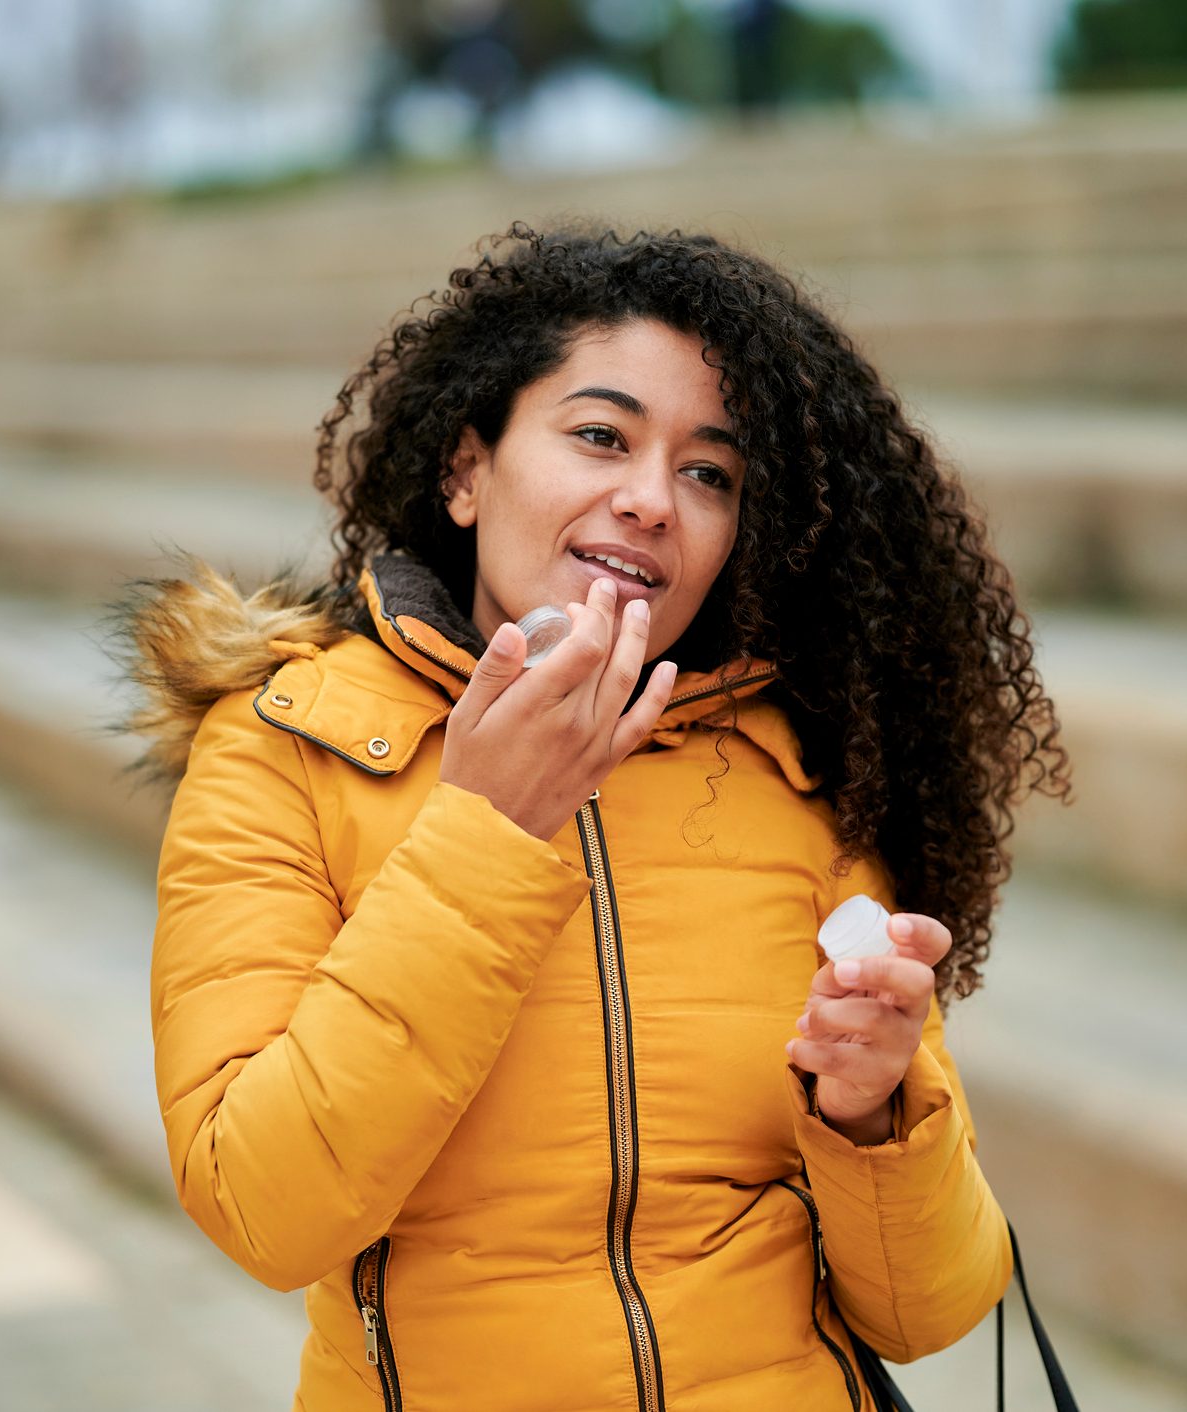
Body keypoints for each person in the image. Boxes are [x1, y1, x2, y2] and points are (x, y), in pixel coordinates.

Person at [114, 220, 1072, 1411]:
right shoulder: (279, 749)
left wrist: (869, 1110)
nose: (651, 499)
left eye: (707, 472)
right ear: (467, 472)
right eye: (600, 436)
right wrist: (486, 832)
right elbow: (263, 1204)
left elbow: (928, 1309)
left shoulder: (798, 777)